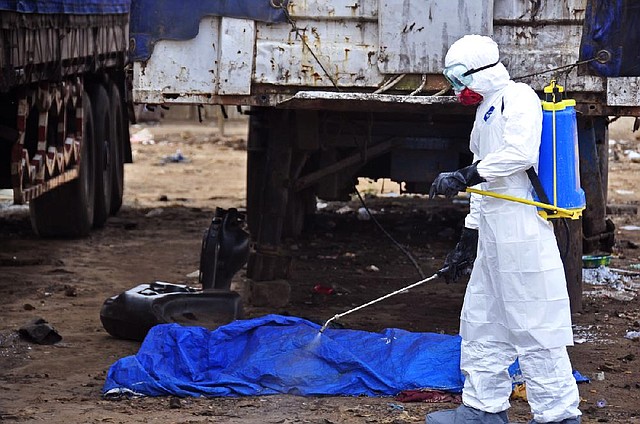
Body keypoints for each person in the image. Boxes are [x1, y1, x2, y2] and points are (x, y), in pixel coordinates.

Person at [426, 35, 582, 424]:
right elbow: (483, 183)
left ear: (482, 70)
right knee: (481, 320)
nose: (457, 88)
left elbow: (519, 153)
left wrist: (464, 174)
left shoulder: (519, 97)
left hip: (522, 226)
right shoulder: (483, 113)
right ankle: (482, 407)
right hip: (494, 229)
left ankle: (558, 415)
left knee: (535, 325)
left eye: (460, 78)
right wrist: (468, 238)